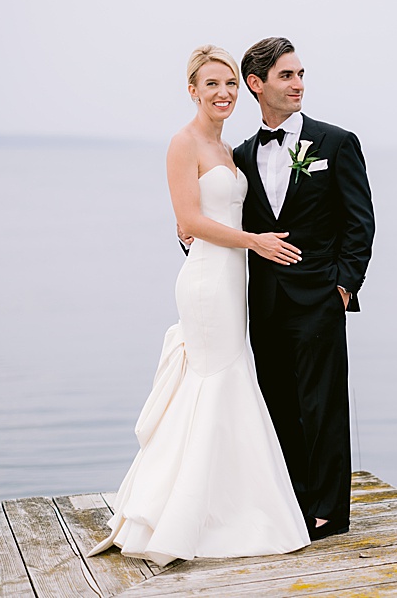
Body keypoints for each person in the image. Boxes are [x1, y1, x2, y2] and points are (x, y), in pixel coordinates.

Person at [88, 45, 310, 566]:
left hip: (234, 281)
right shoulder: (182, 143)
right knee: (214, 381)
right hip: (209, 282)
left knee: (228, 381)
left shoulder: (230, 150)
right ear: (193, 90)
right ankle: (182, 514)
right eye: (212, 84)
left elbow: (222, 211)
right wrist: (254, 241)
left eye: (230, 83)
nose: (223, 93)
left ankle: (223, 505)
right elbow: (188, 220)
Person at [235, 37, 376, 541]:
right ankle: (290, 502)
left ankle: (328, 513)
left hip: (320, 298)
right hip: (265, 302)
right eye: (286, 76)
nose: (298, 85)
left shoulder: (337, 142)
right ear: (258, 84)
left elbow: (360, 224)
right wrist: (190, 239)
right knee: (277, 403)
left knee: (323, 406)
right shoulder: (239, 156)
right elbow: (233, 227)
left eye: (300, 75)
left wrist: (342, 288)